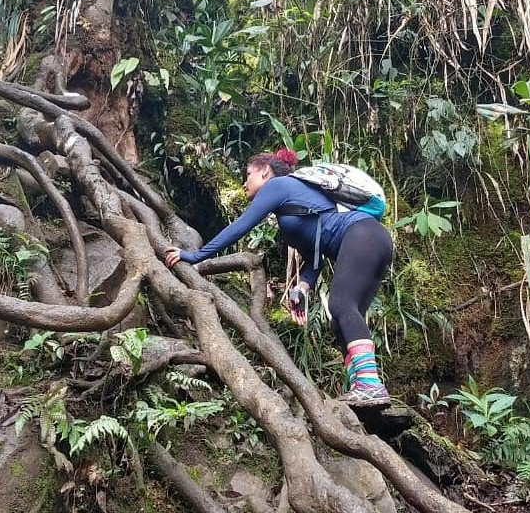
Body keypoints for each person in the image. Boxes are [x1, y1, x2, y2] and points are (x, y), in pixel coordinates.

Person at [165, 148, 394, 408]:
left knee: (341, 307)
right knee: (340, 321)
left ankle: (370, 386)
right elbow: (316, 254)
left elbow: (240, 226)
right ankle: (362, 389)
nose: (244, 182)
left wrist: (196, 256)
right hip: (373, 239)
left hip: (362, 235)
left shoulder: (280, 185)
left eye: (248, 174)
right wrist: (303, 288)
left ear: (265, 171)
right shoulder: (301, 200)